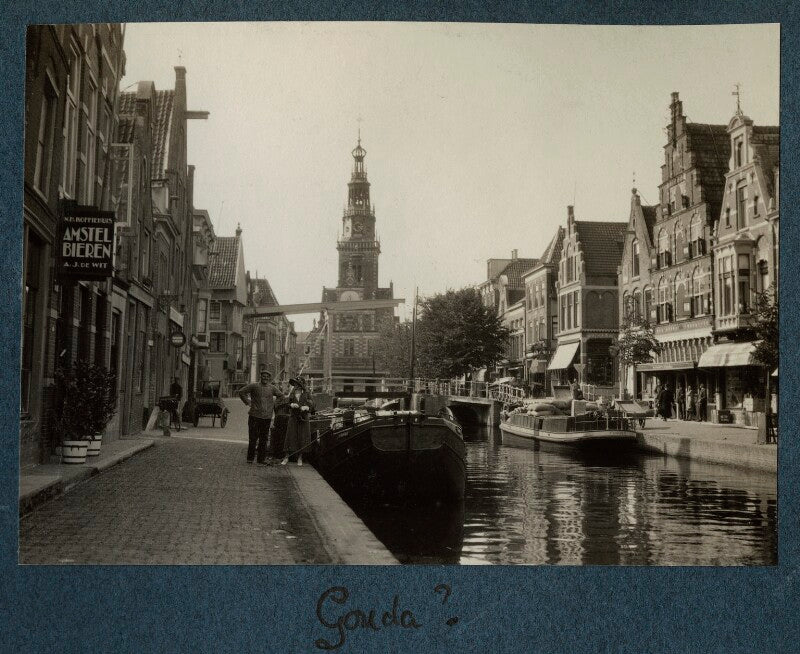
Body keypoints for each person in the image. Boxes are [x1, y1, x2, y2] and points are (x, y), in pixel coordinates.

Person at [238, 368, 284, 464]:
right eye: (263, 376)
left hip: (266, 417)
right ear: (260, 377)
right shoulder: (254, 386)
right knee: (253, 438)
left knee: (264, 439)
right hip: (254, 416)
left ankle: (261, 459)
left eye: (267, 377)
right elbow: (241, 392)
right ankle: (250, 459)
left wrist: (275, 405)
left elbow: (281, 396)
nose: (265, 378)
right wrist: (248, 402)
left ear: (269, 378)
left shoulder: (272, 388)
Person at [281, 377, 315, 466]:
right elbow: (286, 403)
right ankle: (286, 456)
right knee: (290, 435)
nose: (295, 386)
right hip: (293, 417)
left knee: (303, 437)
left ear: (301, 385)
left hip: (303, 417)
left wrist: (307, 407)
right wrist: (291, 405)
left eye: (297, 384)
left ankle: (300, 457)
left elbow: (313, 404)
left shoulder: (307, 393)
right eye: (295, 384)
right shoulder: (292, 393)